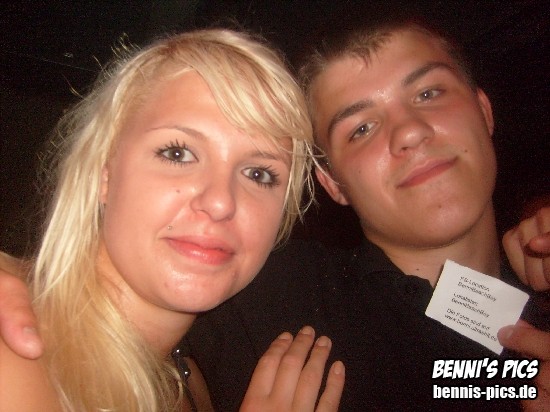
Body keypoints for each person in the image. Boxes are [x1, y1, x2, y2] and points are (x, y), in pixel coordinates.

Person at [0, 17, 549, 412]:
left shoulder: (184, 373)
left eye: (428, 93)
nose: (408, 133)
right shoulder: (271, 302)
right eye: (177, 152)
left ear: (484, 110)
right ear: (331, 183)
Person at [0, 29, 345, 411]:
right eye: (178, 153)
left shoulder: (187, 380)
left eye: (258, 174)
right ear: (104, 172)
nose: (220, 202)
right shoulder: (18, 360)